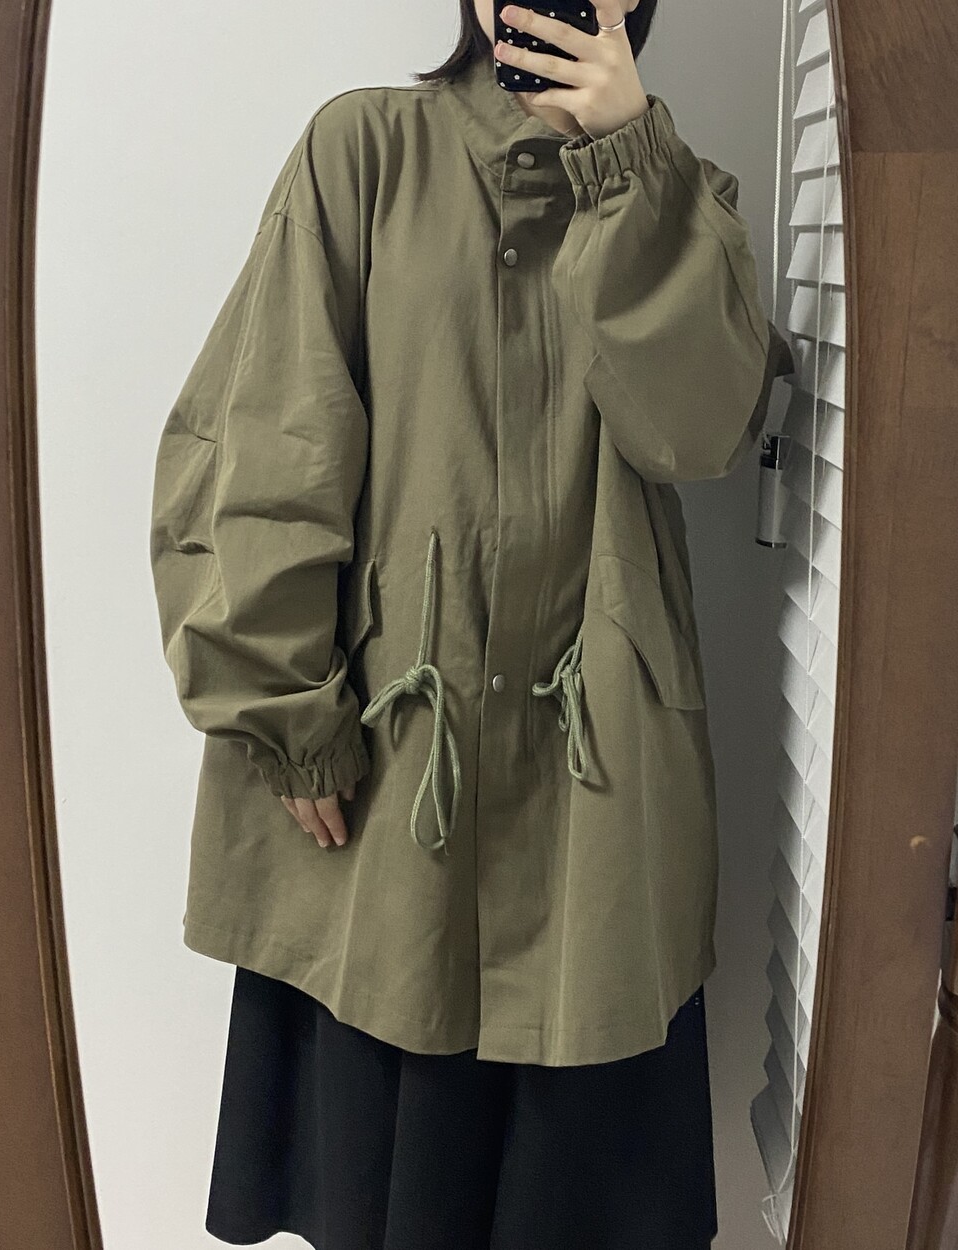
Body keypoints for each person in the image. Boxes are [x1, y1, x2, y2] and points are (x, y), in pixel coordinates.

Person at [149, 0, 796, 1245]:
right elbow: (264, 438)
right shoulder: (366, 150)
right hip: (392, 788)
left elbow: (698, 431)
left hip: (595, 815)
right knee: (392, 1193)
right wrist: (286, 710)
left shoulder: (685, 199)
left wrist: (628, 167)